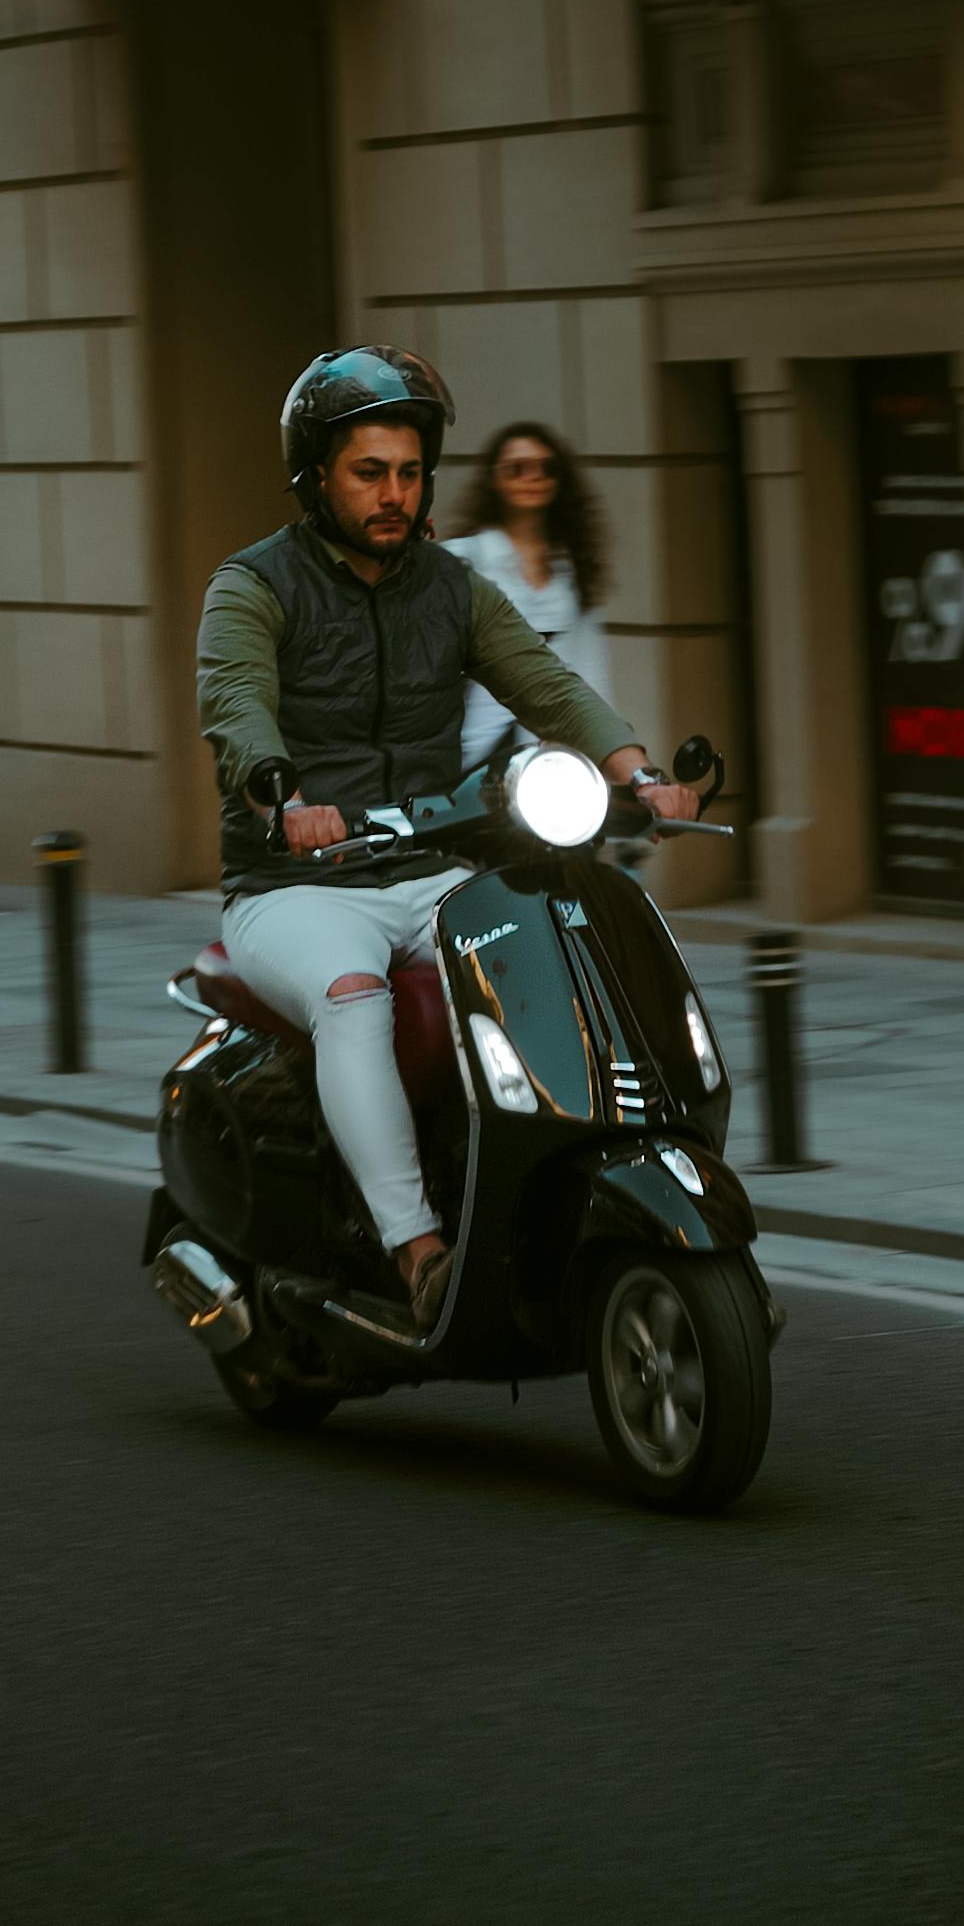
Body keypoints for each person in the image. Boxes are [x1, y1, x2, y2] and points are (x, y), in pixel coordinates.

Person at [195, 348, 640, 1322]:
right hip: (293, 883)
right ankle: (418, 1249)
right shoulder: (252, 584)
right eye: (368, 472)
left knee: (565, 948)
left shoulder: (450, 585)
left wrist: (631, 765)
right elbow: (234, 700)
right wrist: (278, 790)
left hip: (428, 866)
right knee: (352, 996)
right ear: (315, 475)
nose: (393, 493)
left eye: (408, 471)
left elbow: (546, 681)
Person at [443, 421, 617, 771]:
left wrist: (612, 754)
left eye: (546, 468)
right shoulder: (466, 558)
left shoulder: (570, 568)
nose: (533, 477)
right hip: (477, 751)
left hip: (556, 758)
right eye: (517, 469)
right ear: (495, 478)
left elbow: (590, 671)